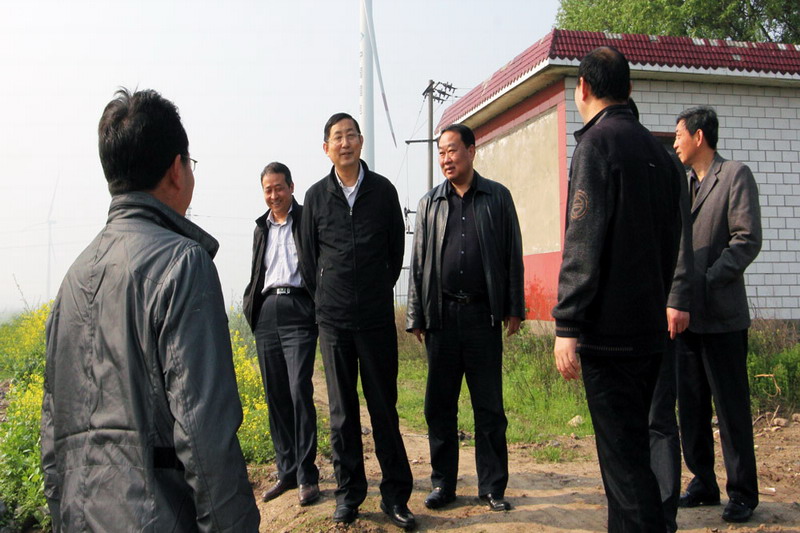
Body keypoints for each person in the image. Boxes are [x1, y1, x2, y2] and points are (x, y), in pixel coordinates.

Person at [40, 88, 260, 532]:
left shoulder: (72, 279)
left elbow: (52, 437)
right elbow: (204, 436)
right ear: (177, 170)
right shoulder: (182, 264)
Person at [552, 47, 683, 532]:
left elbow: (582, 242)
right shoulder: (662, 155)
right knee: (632, 454)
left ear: (583, 88)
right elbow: (673, 243)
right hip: (650, 331)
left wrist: (567, 323)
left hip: (608, 336)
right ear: (629, 88)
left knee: (624, 466)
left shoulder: (596, 145)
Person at [299, 112, 415, 530]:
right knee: (342, 413)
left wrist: (376, 288)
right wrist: (327, 298)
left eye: (351, 135)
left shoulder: (383, 191)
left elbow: (396, 252)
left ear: (361, 142)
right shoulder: (315, 197)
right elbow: (308, 260)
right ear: (326, 148)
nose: (345, 143)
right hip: (333, 322)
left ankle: (396, 496)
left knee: (384, 409)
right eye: (337, 137)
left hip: (376, 319)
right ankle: (349, 495)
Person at [406, 123, 524, 513]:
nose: (446, 159)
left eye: (452, 150)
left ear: (472, 151)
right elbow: (418, 262)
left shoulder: (497, 198)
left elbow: (512, 254)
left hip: (481, 316)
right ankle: (443, 484)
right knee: (439, 406)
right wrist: (416, 314)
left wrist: (514, 307)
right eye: (441, 153)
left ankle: (492, 487)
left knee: (488, 406)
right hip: (441, 317)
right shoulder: (430, 203)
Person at [673, 106, 762, 523]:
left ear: (699, 136)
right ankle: (703, 481)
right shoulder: (685, 184)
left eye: (679, 135)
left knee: (730, 409)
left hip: (723, 316)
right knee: (691, 406)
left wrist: (705, 280)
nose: (675, 143)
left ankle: (742, 492)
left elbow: (746, 240)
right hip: (687, 318)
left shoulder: (735, 176)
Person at [628, 98, 694, 533]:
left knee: (658, 416)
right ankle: (637, 507)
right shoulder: (611, 165)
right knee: (630, 420)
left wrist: (677, 298)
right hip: (619, 319)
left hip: (659, 314)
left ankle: (664, 511)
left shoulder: (666, 168)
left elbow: (683, 241)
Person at [242, 162, 320, 507]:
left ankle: (307, 475)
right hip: (268, 311)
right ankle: (286, 471)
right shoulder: (261, 228)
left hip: (299, 308)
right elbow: (257, 270)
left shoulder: (306, 220)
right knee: (276, 395)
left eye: (279, 188)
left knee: (299, 390)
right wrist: (252, 307)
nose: (274, 195)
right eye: (268, 190)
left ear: (291, 187)